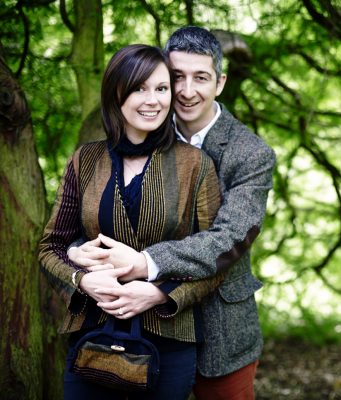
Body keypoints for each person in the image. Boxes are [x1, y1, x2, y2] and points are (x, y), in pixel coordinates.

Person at [69, 27, 276, 399]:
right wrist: (76, 250)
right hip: (143, 326)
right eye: (176, 77)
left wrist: (148, 267)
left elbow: (230, 237)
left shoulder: (251, 153)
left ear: (221, 82)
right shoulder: (140, 126)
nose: (186, 90)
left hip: (220, 326)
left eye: (201, 77)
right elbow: (103, 212)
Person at [38, 44, 224, 400]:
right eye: (139, 88)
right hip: (92, 337)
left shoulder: (195, 164)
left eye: (161, 88)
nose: (152, 99)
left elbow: (215, 257)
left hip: (169, 342)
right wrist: (82, 280)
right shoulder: (86, 159)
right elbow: (51, 247)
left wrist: (159, 294)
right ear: (116, 93)